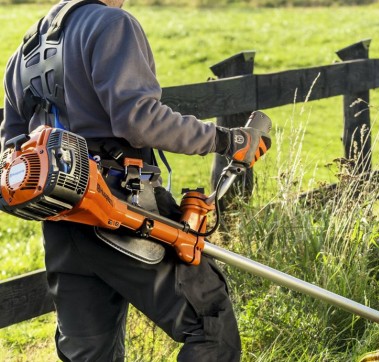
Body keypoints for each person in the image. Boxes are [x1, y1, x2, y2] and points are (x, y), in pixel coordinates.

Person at [1, 0, 271, 360]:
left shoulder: (24, 51)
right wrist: (226, 140)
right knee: (209, 322)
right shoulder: (112, 24)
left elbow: (11, 149)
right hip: (120, 208)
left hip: (61, 224)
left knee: (87, 352)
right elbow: (139, 120)